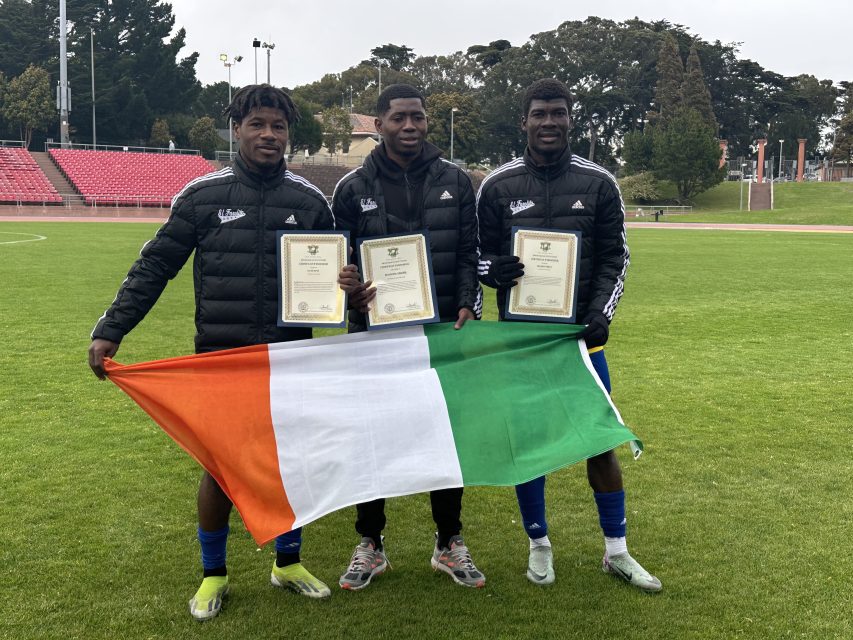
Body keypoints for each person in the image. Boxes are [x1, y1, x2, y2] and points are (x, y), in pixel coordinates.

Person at [88, 84, 336, 621]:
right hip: (220, 358)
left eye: (278, 126)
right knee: (220, 469)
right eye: (257, 125)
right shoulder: (202, 197)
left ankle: (287, 563)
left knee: (286, 464)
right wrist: (113, 328)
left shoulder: (310, 202)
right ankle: (213, 574)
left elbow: (338, 277)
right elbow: (155, 266)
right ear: (236, 130)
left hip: (289, 358)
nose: (269, 135)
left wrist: (350, 284)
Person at [476, 78, 661, 592]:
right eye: (539, 114)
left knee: (600, 443)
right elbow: (478, 255)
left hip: (581, 342)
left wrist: (602, 310)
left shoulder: (599, 183)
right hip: (521, 343)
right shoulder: (497, 185)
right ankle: (539, 545)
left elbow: (614, 257)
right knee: (528, 446)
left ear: (570, 119)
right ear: (525, 122)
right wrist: (493, 270)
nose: (549, 122)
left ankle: (617, 552)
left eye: (558, 113)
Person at [332, 84, 485, 590]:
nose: (410, 126)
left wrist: (468, 300)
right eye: (399, 118)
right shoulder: (352, 188)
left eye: (418, 117)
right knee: (371, 438)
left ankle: (449, 542)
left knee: (444, 437)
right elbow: (342, 264)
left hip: (441, 330)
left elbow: (467, 251)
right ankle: (370, 543)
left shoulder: (456, 182)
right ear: (379, 124)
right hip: (374, 334)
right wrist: (351, 292)